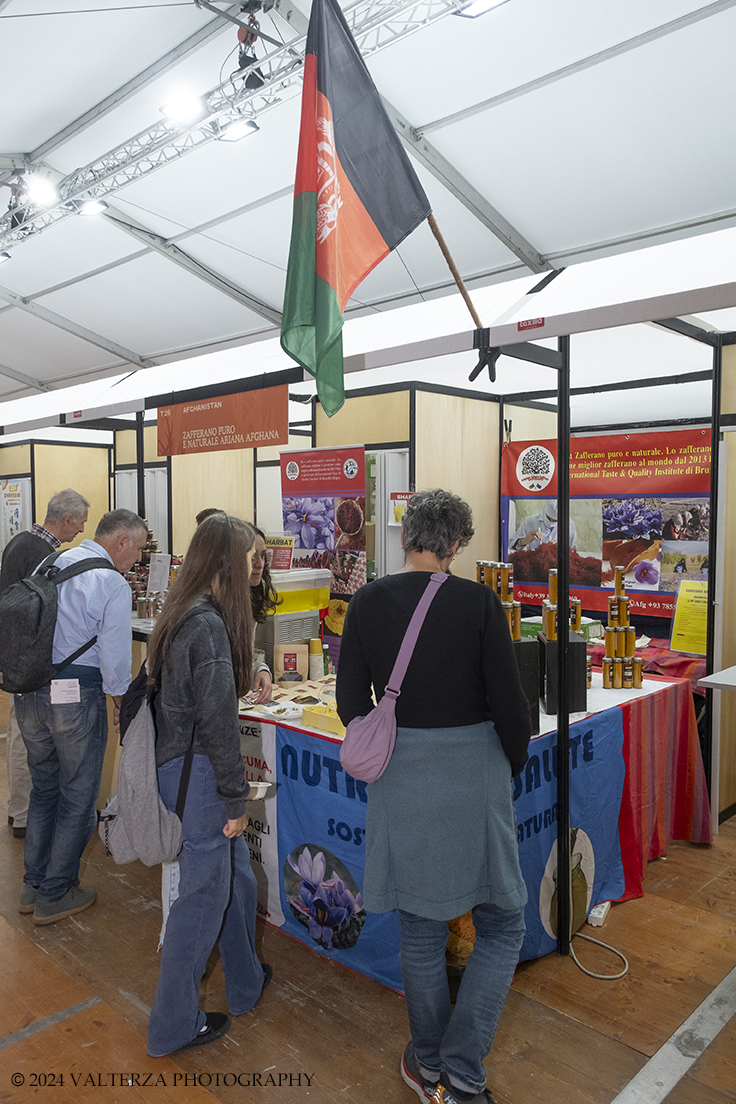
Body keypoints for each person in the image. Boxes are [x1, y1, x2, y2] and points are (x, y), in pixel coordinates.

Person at [336, 489, 532, 1104]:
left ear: (404, 539)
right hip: (473, 772)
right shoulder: (478, 602)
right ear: (455, 546)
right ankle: (464, 1072)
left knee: (420, 931)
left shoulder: (365, 601)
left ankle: (426, 1064)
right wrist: (509, 765)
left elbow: (349, 706)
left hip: (400, 775)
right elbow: (511, 705)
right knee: (503, 920)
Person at [146, 513, 270, 1057]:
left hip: (181, 766)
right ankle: (172, 1025)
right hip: (199, 776)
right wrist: (235, 798)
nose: (258, 568)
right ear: (227, 563)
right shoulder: (209, 625)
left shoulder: (185, 611)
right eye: (252, 558)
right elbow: (220, 727)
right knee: (202, 900)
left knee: (236, 877)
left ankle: (244, 984)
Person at [16, 508, 147, 925]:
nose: (140, 558)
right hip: (75, 696)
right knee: (77, 797)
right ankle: (56, 894)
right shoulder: (112, 582)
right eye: (139, 547)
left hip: (30, 692)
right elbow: (113, 655)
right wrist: (119, 700)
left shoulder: (51, 561)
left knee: (45, 789)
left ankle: (33, 885)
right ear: (121, 542)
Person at [0, 489, 90, 840]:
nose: (80, 531)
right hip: (28, 659)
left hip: (16, 655)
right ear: (66, 520)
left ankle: (18, 809)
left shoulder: (21, 541)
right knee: (26, 737)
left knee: (20, 732)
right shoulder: (43, 553)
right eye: (79, 523)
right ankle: (23, 814)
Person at [249, 526, 280, 705]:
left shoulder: (253, 594)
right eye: (252, 557)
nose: (260, 564)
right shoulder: (213, 610)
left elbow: (244, 655)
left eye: (263, 556)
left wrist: (260, 670)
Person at [509, 499, 577, 551]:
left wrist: (561, 548)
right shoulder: (529, 521)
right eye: (548, 518)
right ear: (544, 512)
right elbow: (510, 547)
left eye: (555, 520)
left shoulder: (569, 525)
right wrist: (524, 541)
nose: (551, 522)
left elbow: (572, 552)